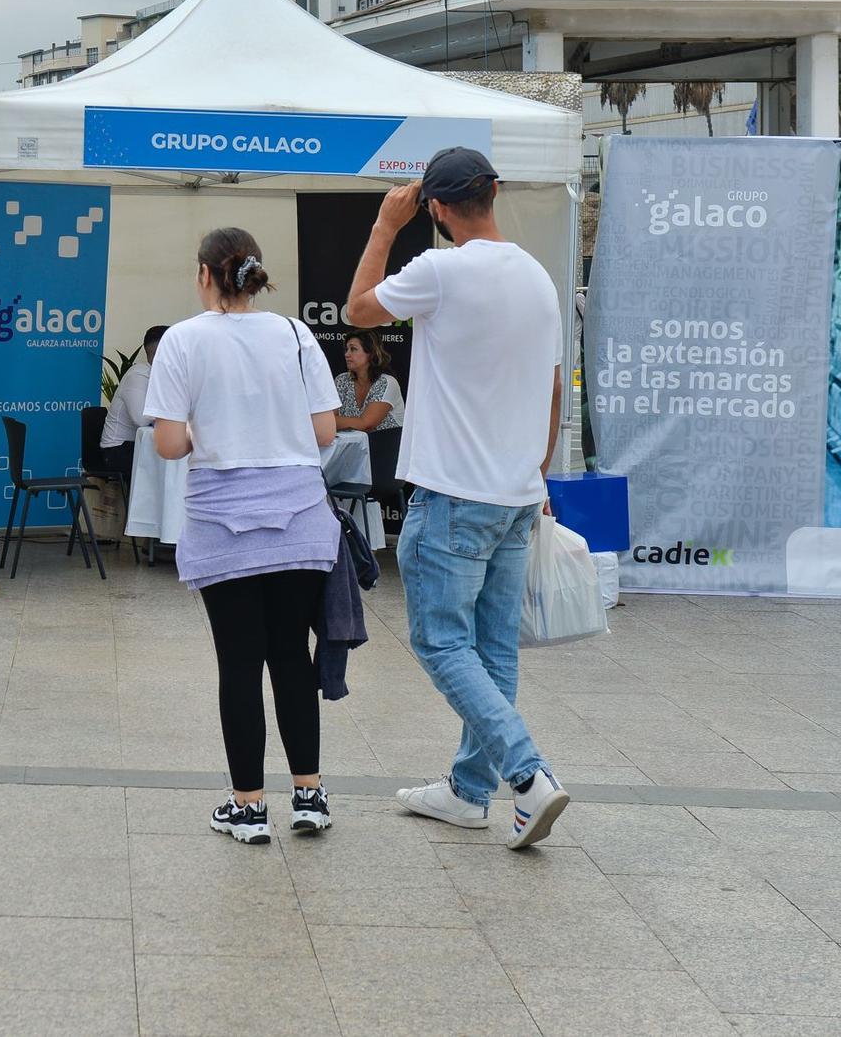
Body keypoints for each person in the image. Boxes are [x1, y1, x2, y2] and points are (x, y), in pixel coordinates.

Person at [344, 146, 569, 850]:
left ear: (435, 209)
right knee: (493, 648)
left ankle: (526, 773)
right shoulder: (537, 277)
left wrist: (385, 225)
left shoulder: (438, 268)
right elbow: (554, 386)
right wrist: (536, 474)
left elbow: (358, 308)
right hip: (514, 492)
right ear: (495, 190)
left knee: (440, 640)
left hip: (451, 492)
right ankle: (470, 791)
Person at [144, 228, 340, 845]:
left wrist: (217, 434)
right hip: (300, 518)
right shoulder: (295, 333)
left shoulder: (182, 340)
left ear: (205, 273)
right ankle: (308, 796)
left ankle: (248, 807)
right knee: (291, 657)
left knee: (239, 664)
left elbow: (170, 443)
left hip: (222, 521)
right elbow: (327, 430)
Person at [100, 324, 167, 478]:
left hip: (142, 446)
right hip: (117, 450)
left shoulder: (162, 376)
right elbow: (141, 420)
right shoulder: (138, 375)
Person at [335, 331, 403, 437]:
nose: (347, 354)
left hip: (387, 448)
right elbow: (328, 417)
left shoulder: (386, 382)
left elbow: (366, 424)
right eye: (346, 349)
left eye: (353, 349)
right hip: (352, 449)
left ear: (371, 353)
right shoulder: (341, 380)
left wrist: (330, 422)